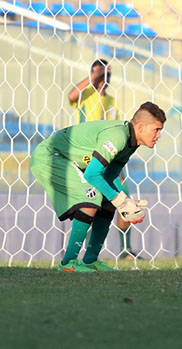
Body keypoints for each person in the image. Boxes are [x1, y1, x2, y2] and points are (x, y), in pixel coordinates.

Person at [30, 102, 166, 272]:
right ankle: (67, 263)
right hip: (49, 157)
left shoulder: (131, 143)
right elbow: (92, 174)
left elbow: (108, 176)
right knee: (92, 197)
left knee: (107, 201)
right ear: (140, 127)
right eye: (156, 129)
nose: (159, 135)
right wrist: (121, 202)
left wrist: (123, 200)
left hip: (66, 161)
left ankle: (90, 260)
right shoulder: (118, 136)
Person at [68, 59, 139, 259]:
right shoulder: (84, 96)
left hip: (108, 159)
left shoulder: (111, 102)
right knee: (92, 205)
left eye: (107, 74)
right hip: (86, 160)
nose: (105, 78)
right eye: (102, 73)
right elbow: (70, 95)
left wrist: (119, 166)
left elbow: (116, 133)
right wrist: (95, 75)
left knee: (124, 198)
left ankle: (126, 249)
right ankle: (88, 253)